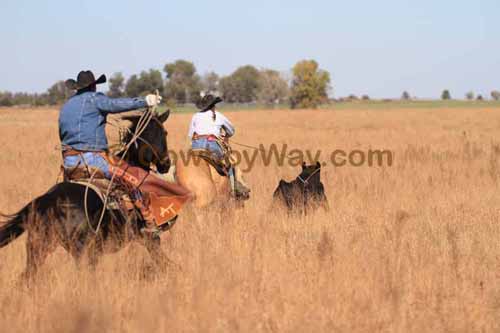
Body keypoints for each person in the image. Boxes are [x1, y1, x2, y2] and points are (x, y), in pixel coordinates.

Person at [59, 70, 190, 236]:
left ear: (77, 88)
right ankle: (148, 220)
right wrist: (145, 101)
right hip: (93, 161)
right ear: (93, 86)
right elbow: (116, 105)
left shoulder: (66, 106)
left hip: (69, 163)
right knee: (131, 180)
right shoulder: (95, 99)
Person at [188, 93, 250, 199]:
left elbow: (190, 134)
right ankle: (236, 189)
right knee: (229, 163)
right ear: (213, 106)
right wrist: (225, 135)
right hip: (212, 145)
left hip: (196, 146)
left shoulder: (195, 116)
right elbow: (231, 130)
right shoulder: (218, 115)